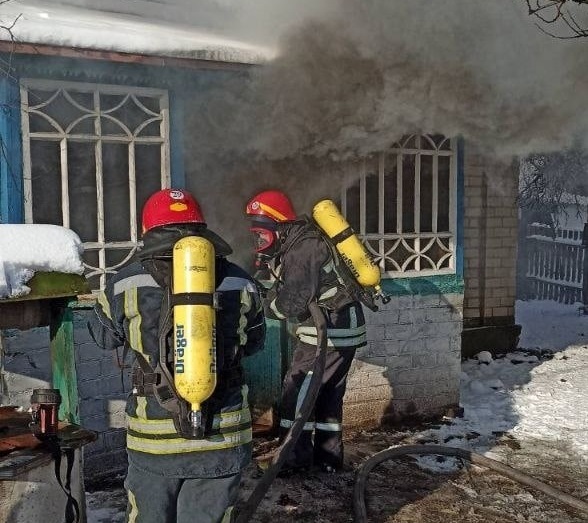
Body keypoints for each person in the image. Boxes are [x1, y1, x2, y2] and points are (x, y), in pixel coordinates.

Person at [88, 188, 265, 523]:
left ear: (147, 230)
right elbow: (255, 343)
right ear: (201, 227)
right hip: (221, 436)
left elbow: (102, 337)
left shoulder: (124, 283)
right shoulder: (241, 281)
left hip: (154, 439)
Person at [245, 189, 366, 474]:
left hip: (328, 332)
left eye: (263, 235)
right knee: (327, 395)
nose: (260, 242)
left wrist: (265, 305)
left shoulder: (302, 249)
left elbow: (292, 303)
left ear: (280, 227)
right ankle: (327, 458)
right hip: (343, 327)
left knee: (296, 390)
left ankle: (291, 459)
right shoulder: (304, 242)